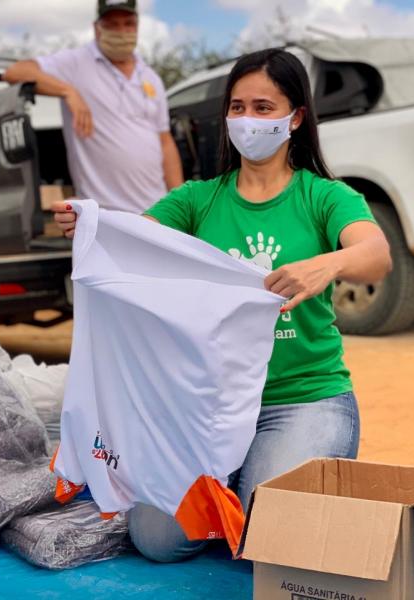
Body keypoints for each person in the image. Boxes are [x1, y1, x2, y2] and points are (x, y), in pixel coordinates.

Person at [52, 47, 392, 562]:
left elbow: (375, 254)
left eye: (263, 107)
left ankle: (257, 481)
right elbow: (135, 238)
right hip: (203, 408)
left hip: (301, 399)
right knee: (158, 539)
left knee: (274, 532)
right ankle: (235, 480)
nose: (248, 120)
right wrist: (95, 227)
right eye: (237, 108)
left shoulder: (324, 197)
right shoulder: (198, 199)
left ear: (295, 117)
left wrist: (330, 263)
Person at [2, 0, 183, 213]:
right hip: (104, 216)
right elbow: (14, 72)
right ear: (96, 28)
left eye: (128, 23)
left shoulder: (151, 77)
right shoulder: (76, 63)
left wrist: (179, 204)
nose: (121, 31)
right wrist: (68, 91)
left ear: (137, 26)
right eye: (112, 24)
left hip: (156, 211)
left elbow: (165, 143)